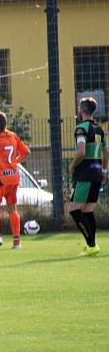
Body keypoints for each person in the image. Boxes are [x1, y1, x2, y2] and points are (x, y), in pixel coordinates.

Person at [68, 97, 108, 257]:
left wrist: (72, 165)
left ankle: (91, 244)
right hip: (97, 172)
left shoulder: (81, 129)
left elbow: (81, 152)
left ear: (81, 110)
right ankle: (91, 245)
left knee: (74, 210)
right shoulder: (99, 129)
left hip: (85, 173)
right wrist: (104, 170)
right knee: (88, 210)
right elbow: (106, 153)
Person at [0, 111, 30, 250]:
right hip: (13, 177)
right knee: (12, 208)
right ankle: (17, 241)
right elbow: (26, 152)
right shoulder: (13, 135)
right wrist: (15, 163)